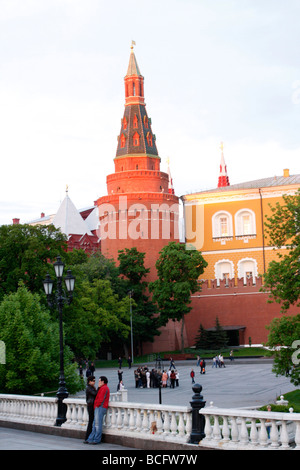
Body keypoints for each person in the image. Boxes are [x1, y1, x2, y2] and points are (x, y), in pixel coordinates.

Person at [86, 376, 110, 445]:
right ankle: (91, 438)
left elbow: (100, 399)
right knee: (95, 424)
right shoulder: (103, 388)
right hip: (98, 407)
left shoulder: (104, 388)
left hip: (100, 407)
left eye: (99, 381)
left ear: (103, 382)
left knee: (97, 424)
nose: (98, 382)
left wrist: (97, 405)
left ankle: (96, 439)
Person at [84, 376, 97, 443]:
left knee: (91, 421)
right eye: (93, 381)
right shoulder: (89, 388)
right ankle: (87, 437)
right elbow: (95, 394)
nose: (94, 382)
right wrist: (99, 387)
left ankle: (89, 437)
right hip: (90, 405)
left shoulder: (91, 387)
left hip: (91, 405)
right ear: (89, 381)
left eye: (94, 380)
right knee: (91, 421)